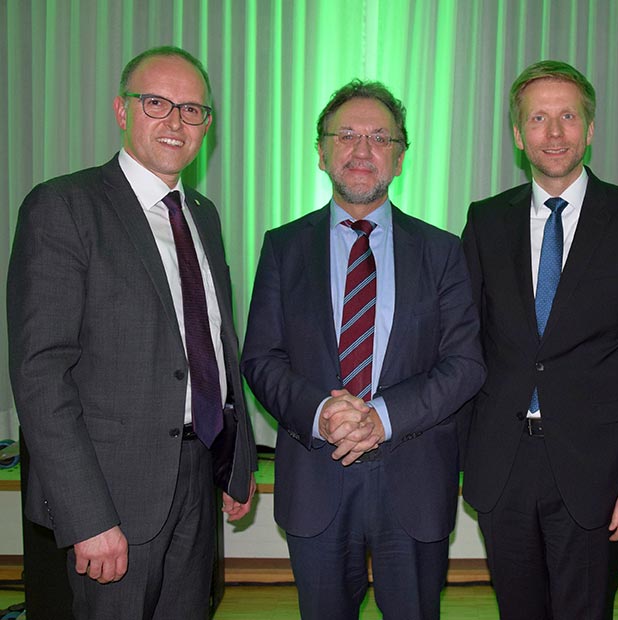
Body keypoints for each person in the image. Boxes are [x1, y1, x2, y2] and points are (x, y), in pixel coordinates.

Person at [7, 46, 257, 619]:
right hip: (113, 495)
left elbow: (216, 344)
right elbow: (40, 375)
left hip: (196, 477)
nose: (175, 121)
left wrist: (235, 460)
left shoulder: (203, 213)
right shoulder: (64, 206)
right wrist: (89, 517)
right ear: (122, 111)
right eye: (156, 103)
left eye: (192, 109)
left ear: (207, 125)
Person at [241, 79, 485, 620]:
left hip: (414, 481)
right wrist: (322, 411)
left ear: (399, 158)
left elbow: (465, 364)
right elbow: (260, 358)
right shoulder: (283, 247)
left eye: (380, 138)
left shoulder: (442, 251)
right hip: (315, 478)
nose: (361, 149)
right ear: (322, 152)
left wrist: (381, 417)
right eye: (346, 134)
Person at [460, 60, 618, 619]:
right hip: (503, 463)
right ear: (518, 134)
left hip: (598, 471)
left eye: (567, 116)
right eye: (538, 118)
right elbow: (464, 346)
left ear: (590, 128)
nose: (554, 133)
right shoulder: (485, 222)